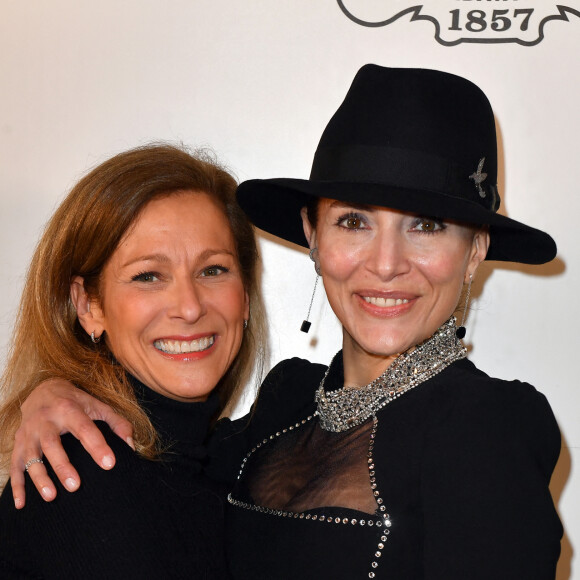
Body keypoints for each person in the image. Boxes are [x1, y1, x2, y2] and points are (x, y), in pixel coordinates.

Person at [7, 66, 562, 579]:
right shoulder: (283, 405)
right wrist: (54, 391)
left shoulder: (488, 427)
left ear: (474, 252)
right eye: (354, 222)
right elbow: (165, 462)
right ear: (314, 238)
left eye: (427, 225)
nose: (387, 263)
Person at [0, 143, 265, 579]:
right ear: (88, 306)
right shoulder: (80, 474)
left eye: (213, 270)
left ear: (246, 296)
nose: (190, 306)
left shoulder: (238, 463)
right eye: (148, 276)